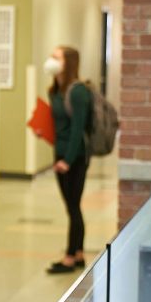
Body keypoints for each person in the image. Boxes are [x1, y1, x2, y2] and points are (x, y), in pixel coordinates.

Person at [45, 46, 91, 273]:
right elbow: (59, 125)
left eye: (56, 57)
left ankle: (70, 257)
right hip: (60, 153)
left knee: (73, 206)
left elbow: (77, 129)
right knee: (71, 206)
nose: (51, 60)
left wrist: (68, 160)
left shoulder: (78, 91)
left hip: (75, 156)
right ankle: (79, 253)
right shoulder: (55, 90)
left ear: (68, 62)